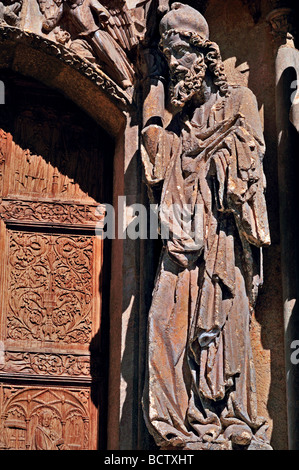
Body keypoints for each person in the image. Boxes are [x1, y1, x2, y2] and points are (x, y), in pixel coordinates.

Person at [141, 2, 271, 450]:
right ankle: (177, 427)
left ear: (205, 54)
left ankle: (232, 419)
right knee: (162, 320)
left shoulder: (240, 102)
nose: (175, 65)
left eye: (180, 53)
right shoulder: (178, 125)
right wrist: (153, 110)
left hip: (222, 242)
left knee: (222, 327)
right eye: (168, 56)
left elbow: (250, 175)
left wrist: (215, 161)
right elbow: (156, 168)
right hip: (182, 247)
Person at [42, 0, 134, 88]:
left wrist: (102, 14)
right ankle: (97, 67)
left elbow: (102, 10)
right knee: (75, 47)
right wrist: (49, 24)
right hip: (82, 37)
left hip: (95, 33)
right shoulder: (66, 6)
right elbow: (55, 17)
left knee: (109, 54)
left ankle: (123, 77)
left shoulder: (88, 1)